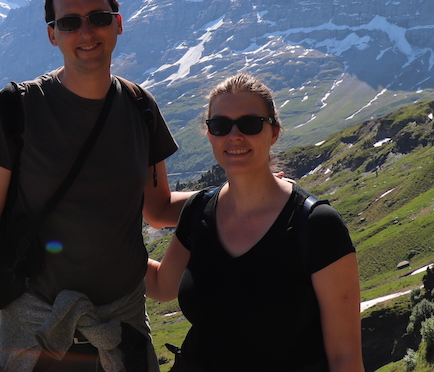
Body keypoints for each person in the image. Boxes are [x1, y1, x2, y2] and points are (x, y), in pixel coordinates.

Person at [0, 0, 192, 372]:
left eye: (98, 18)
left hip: (122, 336)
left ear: (118, 24)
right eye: (69, 22)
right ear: (53, 34)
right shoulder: (19, 108)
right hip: (34, 338)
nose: (86, 32)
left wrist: (233, 194)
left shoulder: (142, 109)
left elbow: (158, 209)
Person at [145, 74, 364, 372]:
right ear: (209, 135)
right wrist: (92, 242)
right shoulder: (198, 211)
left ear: (273, 132)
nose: (234, 136)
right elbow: (160, 285)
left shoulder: (317, 226)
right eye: (220, 126)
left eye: (249, 124)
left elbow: (345, 358)